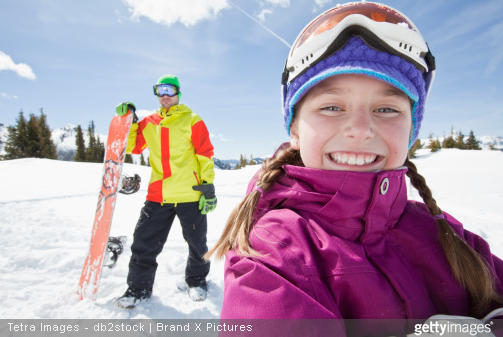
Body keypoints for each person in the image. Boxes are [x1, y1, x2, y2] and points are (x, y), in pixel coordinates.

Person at [207, 2, 503, 335]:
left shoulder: (445, 234)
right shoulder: (276, 253)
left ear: (411, 131)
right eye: (331, 107)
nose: (361, 129)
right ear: (294, 131)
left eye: (387, 109)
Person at [114, 74, 216, 309]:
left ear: (178, 92)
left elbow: (204, 154)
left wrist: (207, 186)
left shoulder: (192, 120)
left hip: (190, 194)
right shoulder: (149, 123)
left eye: (169, 90)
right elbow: (133, 146)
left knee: (197, 244)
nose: (165, 95)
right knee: (143, 243)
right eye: (160, 90)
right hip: (158, 195)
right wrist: (129, 121)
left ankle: (197, 281)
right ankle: (138, 290)